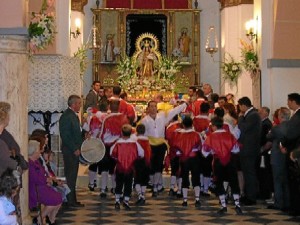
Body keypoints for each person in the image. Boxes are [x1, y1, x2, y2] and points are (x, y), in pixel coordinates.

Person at [140, 100, 187, 197]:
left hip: (161, 145)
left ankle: (156, 187)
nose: (153, 108)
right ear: (147, 108)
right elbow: (142, 134)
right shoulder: (144, 121)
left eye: (154, 106)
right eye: (151, 106)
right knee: (151, 167)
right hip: (150, 145)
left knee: (158, 166)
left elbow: (174, 111)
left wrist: (185, 104)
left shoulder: (162, 116)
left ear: (157, 108)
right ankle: (153, 184)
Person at [202, 117, 242, 215]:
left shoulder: (210, 137)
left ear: (214, 126)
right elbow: (236, 150)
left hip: (218, 161)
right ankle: (237, 205)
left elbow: (204, 152)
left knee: (219, 183)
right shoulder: (230, 135)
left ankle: (223, 206)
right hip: (230, 161)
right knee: (234, 182)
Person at [98, 100, 129, 197]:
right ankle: (115, 188)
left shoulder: (106, 118)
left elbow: (101, 134)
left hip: (107, 147)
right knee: (115, 169)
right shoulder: (124, 119)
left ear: (110, 107)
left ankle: (103, 189)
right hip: (118, 147)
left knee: (104, 169)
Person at [110, 124, 144, 210]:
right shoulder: (135, 143)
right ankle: (126, 201)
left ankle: (117, 201)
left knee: (119, 184)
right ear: (130, 133)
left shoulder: (117, 143)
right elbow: (141, 153)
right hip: (130, 168)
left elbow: (112, 153)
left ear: (121, 132)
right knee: (128, 184)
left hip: (119, 167)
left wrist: (118, 158)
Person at [59, 95, 84, 207]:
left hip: (74, 150)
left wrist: (84, 134)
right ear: (73, 104)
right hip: (70, 151)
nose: (80, 105)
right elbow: (65, 135)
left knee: (73, 176)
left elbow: (76, 132)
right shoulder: (66, 116)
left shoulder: (73, 115)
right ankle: (70, 200)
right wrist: (74, 148)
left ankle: (72, 199)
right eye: (79, 103)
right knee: (70, 176)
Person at [28, 140, 62, 225]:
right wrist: (46, 180)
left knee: (59, 198)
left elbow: (44, 172)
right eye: (38, 150)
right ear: (34, 152)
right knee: (54, 201)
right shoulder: (30, 163)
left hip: (42, 186)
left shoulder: (36, 162)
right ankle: (41, 218)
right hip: (36, 189)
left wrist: (48, 179)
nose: (40, 152)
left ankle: (51, 219)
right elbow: (35, 179)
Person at [172, 116, 202, 207]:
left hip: (184, 159)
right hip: (194, 158)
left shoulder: (179, 135)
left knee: (184, 177)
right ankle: (197, 199)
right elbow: (200, 146)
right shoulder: (197, 134)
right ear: (192, 124)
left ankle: (185, 200)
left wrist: (181, 153)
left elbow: (176, 149)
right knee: (196, 178)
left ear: (183, 125)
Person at [237, 97, 261, 205]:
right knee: (247, 172)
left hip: (249, 149)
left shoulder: (253, 115)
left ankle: (251, 197)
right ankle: (248, 195)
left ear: (243, 105)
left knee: (249, 173)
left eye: (239, 106)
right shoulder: (251, 114)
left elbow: (243, 128)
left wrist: (241, 118)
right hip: (246, 148)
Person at [267, 107, 290, 211]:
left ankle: (279, 203)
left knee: (277, 180)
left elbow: (268, 136)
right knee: (286, 180)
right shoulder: (292, 127)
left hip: (277, 156)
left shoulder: (277, 128)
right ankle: (287, 202)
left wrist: (272, 127)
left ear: (280, 116)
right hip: (287, 156)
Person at [281, 93, 300, 216]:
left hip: (294, 151)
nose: (287, 103)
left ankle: (295, 208)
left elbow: (292, 134)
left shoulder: (298, 116)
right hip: (294, 150)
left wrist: (285, 145)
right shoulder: (296, 115)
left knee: (294, 181)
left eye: (288, 101)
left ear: (293, 102)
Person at [133, 124, 152, 205]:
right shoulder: (148, 141)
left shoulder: (135, 141)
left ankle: (140, 196)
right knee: (144, 180)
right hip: (147, 162)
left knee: (137, 180)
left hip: (138, 162)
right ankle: (142, 195)